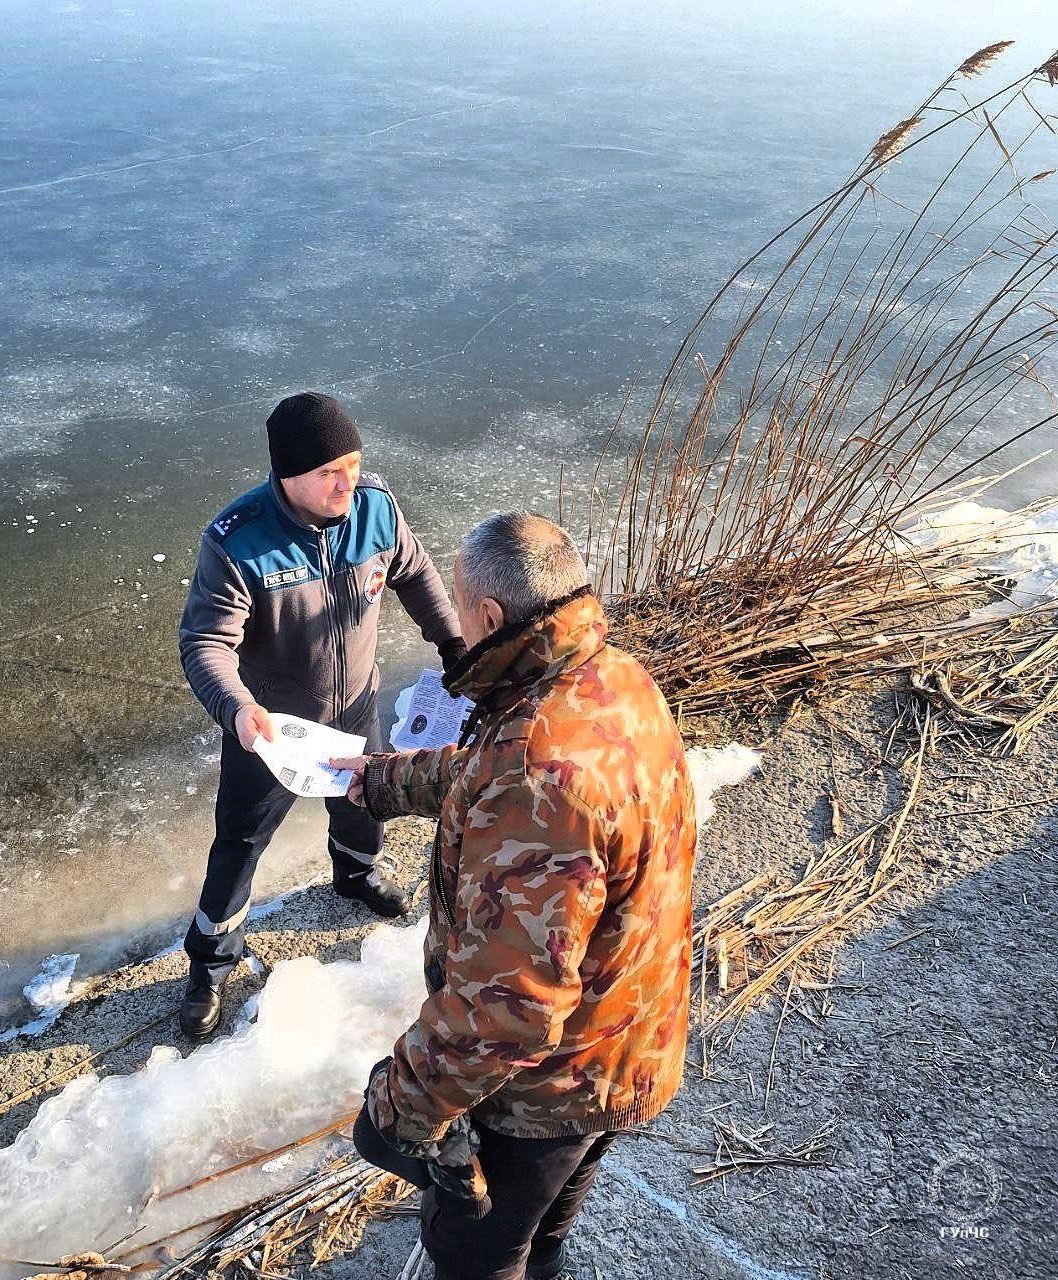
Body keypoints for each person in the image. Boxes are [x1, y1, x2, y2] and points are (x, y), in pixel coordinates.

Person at [333, 512, 697, 1280]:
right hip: (629, 1036)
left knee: (477, 1252)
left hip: (550, 1090)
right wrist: (382, 780)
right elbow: (492, 773)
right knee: (547, 1227)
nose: (457, 628)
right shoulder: (613, 678)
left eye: (462, 613)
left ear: (490, 617)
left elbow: (511, 1008)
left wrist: (402, 1107)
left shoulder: (536, 768)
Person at [177, 391, 465, 1041]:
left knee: (364, 799)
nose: (347, 482)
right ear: (288, 475)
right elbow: (205, 643)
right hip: (271, 731)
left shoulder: (375, 511)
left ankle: (355, 872)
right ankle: (210, 961)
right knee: (240, 843)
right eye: (329, 473)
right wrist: (238, 709)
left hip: (356, 703)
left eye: (354, 465)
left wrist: (452, 644)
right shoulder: (237, 541)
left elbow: (415, 573)